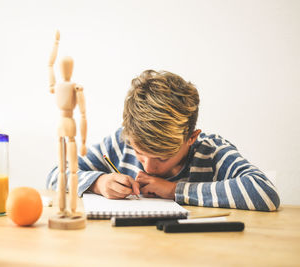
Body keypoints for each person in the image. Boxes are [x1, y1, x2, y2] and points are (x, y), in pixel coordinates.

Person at [47, 70, 280, 211]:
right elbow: (55, 175)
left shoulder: (211, 152)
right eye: (139, 152)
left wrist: (174, 190)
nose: (148, 167)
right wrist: (98, 183)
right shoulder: (121, 142)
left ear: (191, 138)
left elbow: (265, 193)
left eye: (163, 157)